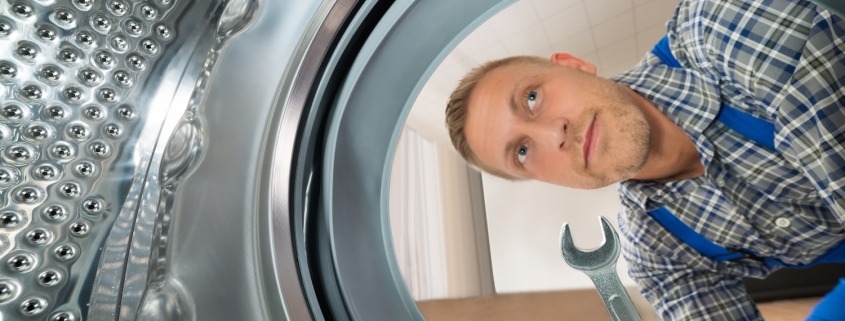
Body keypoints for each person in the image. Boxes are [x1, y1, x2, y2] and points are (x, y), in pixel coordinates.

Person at [444, 0, 845, 320]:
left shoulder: (722, 26)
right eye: (523, 152)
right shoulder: (656, 252)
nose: (554, 134)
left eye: (532, 98)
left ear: (574, 65)